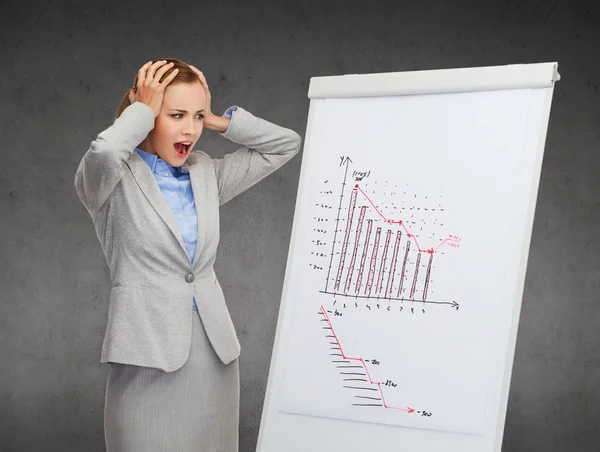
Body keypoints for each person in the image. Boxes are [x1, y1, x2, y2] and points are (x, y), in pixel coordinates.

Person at [73, 58, 301, 451]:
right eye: (176, 114)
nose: (190, 129)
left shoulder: (205, 173)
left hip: (214, 355)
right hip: (147, 355)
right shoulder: (109, 181)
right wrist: (141, 107)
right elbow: (107, 150)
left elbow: (285, 145)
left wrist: (215, 119)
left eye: (196, 117)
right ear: (143, 115)